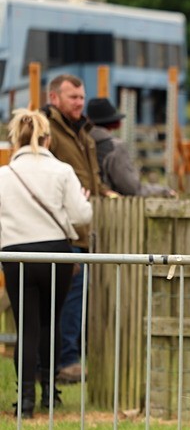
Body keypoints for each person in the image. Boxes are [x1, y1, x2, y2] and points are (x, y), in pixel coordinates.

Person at [0, 109, 94, 414]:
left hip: (17, 255)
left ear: (16, 139)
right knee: (50, 322)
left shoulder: (4, 174)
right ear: (48, 139)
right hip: (55, 252)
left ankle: (25, 400)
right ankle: (49, 395)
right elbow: (82, 216)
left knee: (26, 326)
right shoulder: (63, 171)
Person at [42, 74, 114, 385]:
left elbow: (91, 178)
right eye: (73, 97)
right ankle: (66, 361)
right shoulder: (49, 132)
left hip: (83, 228)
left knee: (72, 299)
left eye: (81, 97)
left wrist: (105, 193)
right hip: (63, 229)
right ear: (54, 97)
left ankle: (61, 359)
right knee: (67, 301)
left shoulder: (82, 132)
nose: (79, 103)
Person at [85, 98, 175, 197]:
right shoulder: (115, 148)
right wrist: (163, 191)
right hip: (112, 206)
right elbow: (131, 188)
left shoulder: (79, 142)